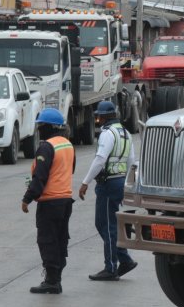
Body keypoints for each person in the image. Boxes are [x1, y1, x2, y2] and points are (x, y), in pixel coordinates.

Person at [78, 101, 137, 281]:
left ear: (104, 117)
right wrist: (127, 184)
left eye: (99, 116)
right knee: (111, 224)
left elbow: (100, 159)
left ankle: (111, 267)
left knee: (106, 225)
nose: (98, 119)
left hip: (108, 184)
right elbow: (131, 161)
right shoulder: (126, 133)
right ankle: (124, 259)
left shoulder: (107, 133)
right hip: (119, 182)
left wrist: (85, 182)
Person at [21, 108, 76, 294]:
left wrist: (27, 198)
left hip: (50, 202)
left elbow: (40, 177)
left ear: (48, 127)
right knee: (60, 239)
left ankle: (51, 281)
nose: (38, 130)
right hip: (66, 201)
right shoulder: (68, 145)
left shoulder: (46, 147)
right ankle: (56, 279)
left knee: (47, 240)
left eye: (40, 126)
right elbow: (70, 170)